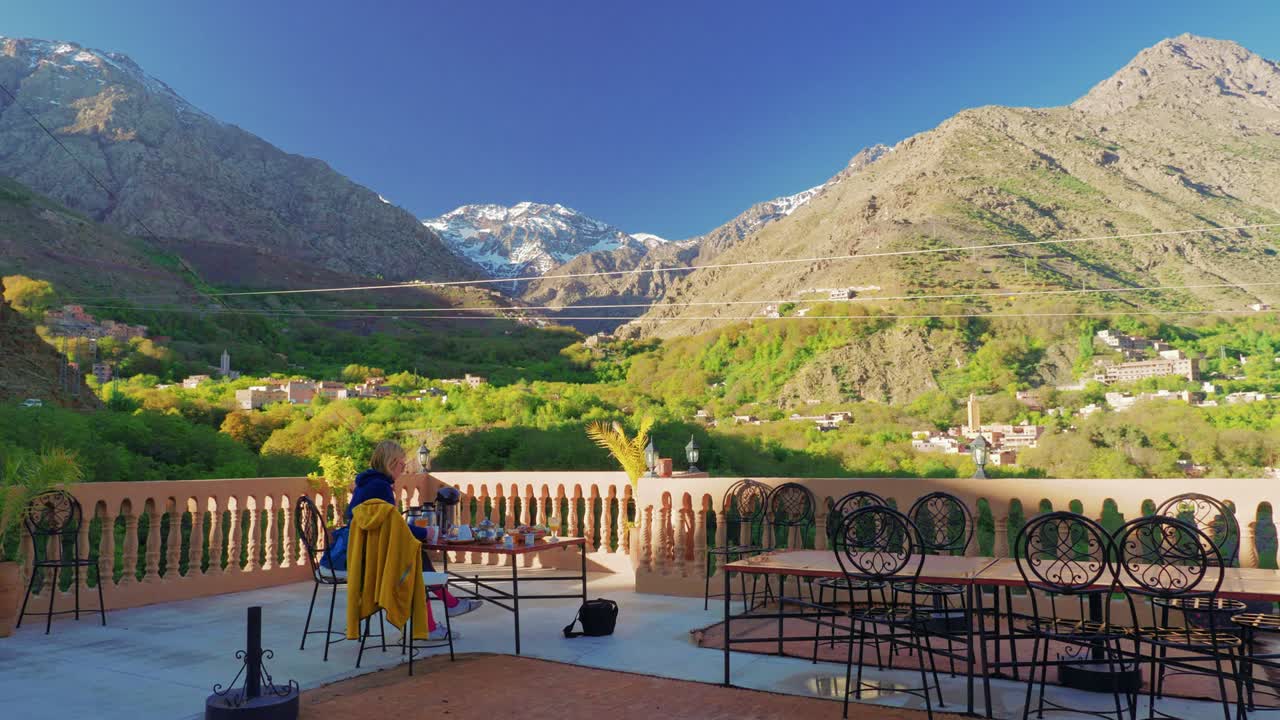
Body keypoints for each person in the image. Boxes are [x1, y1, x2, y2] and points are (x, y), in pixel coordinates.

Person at [337, 440, 482, 619]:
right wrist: (426, 533)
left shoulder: (368, 483)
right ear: (390, 463)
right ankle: (446, 608)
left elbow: (386, 522)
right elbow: (394, 525)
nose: (404, 468)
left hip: (363, 549)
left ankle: (440, 615)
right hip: (368, 557)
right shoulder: (380, 487)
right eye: (401, 463)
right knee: (414, 561)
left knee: (415, 556)